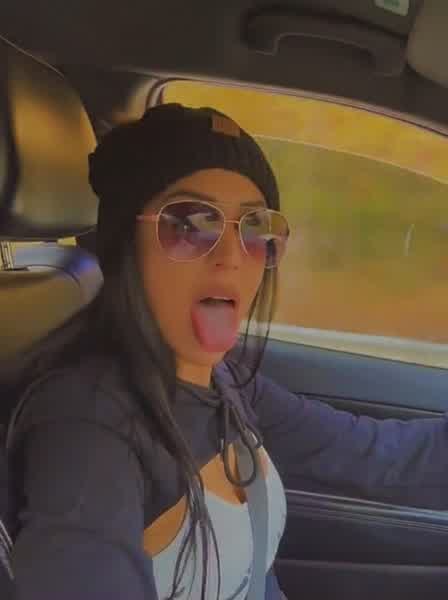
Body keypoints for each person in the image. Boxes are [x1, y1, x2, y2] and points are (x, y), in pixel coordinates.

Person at [5, 103, 448, 600]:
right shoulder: (86, 424)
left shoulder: (226, 382)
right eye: (189, 224)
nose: (232, 256)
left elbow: (376, 456)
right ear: (125, 243)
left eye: (256, 228)